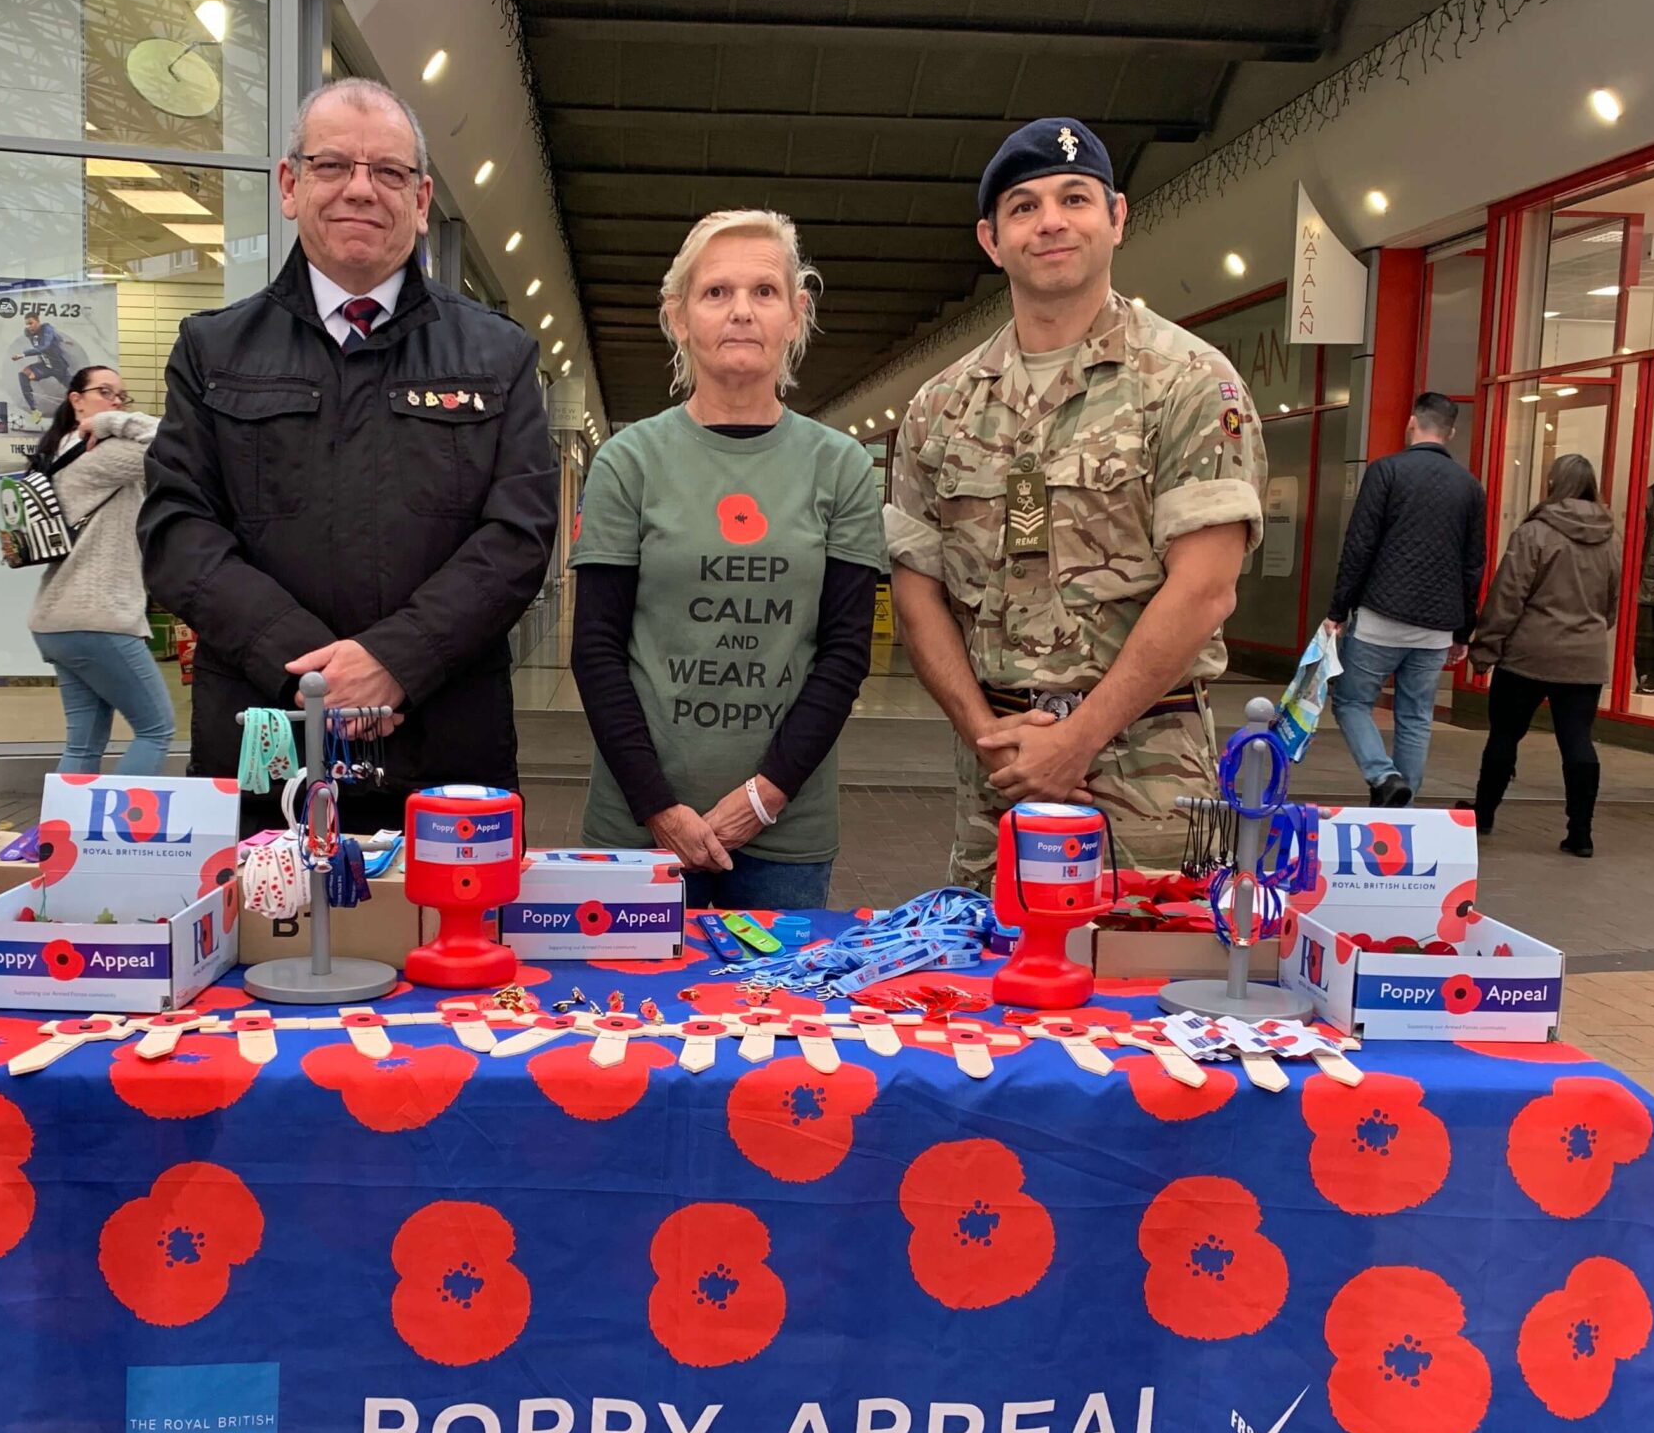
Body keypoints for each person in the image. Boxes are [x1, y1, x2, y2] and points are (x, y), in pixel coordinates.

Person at [140, 78, 557, 833]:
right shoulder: (212, 352)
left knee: (452, 950)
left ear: (423, 200)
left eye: (389, 173)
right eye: (334, 167)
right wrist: (318, 673)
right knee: (256, 948)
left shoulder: (500, 357)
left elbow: (518, 538)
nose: (361, 190)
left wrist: (395, 660)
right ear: (291, 185)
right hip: (266, 750)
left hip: (446, 764)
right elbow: (177, 533)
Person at [887, 118, 1263, 892]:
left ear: (1117, 217)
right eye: (1023, 207)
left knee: (1151, 988)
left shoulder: (1190, 383)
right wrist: (982, 730)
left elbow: (1205, 587)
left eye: (1074, 198)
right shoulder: (941, 406)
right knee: (986, 986)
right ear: (992, 240)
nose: (1051, 221)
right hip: (1001, 769)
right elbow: (917, 586)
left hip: (1149, 773)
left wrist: (1079, 738)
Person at [570, 209, 885, 908]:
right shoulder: (630, 463)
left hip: (785, 836)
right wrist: (659, 809)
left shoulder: (840, 468)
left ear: (796, 315)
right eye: (716, 293)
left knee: (771, 1015)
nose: (741, 312)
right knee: (626, 1017)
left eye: (764, 292)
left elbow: (843, 655)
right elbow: (596, 650)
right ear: (678, 317)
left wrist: (761, 800)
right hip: (638, 828)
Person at [1324, 392, 1486, 807]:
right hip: (1436, 629)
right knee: (1415, 717)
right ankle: (1401, 808)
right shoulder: (1470, 487)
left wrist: (1338, 610)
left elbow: (1359, 546)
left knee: (1350, 701)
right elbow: (1473, 565)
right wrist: (1464, 630)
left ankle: (1384, 776)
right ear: (1450, 432)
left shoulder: (1386, 472)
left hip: (1381, 617)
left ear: (1412, 422)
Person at [1465, 453, 1618, 858]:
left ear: (1553, 484)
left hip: (1528, 655)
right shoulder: (1610, 535)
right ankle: (1580, 833)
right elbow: (1612, 602)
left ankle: (1484, 814)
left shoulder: (1534, 532)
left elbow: (1508, 596)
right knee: (1578, 741)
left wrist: (1485, 648)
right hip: (1584, 658)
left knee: (1504, 734)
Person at [25, 367, 175, 775]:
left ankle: (62, 837)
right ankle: (115, 836)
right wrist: (107, 423)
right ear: (75, 400)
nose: (114, 402)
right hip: (100, 617)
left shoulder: (59, 453)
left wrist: (106, 420)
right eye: (103, 392)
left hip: (58, 619)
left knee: (84, 743)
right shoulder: (100, 454)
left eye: (121, 397)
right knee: (157, 730)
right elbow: (176, 438)